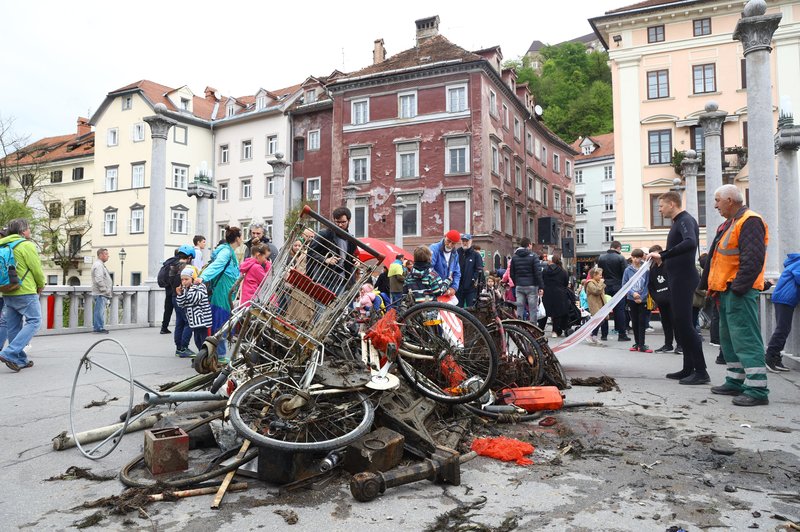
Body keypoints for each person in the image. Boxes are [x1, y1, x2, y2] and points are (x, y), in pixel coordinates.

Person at [701, 184, 769, 406]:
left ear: (730, 200)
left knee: (745, 338)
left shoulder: (749, 220)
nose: (715, 205)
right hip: (727, 290)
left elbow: (753, 258)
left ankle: (757, 389)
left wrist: (738, 288)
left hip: (738, 290)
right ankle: (735, 380)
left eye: (717, 200)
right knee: (730, 340)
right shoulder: (731, 224)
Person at [648, 191, 708, 385]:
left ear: (672, 204)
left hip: (684, 280)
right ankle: (688, 368)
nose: (659, 209)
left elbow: (690, 242)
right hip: (678, 279)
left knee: (685, 325)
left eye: (661, 205)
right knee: (681, 324)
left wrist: (663, 255)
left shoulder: (684, 220)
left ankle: (701, 371)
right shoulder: (679, 222)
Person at [0, 219, 45, 372]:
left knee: (13, 326)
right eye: (29, 229)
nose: (30, 232)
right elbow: (36, 269)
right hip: (25, 290)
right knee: (35, 321)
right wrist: (40, 285)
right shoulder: (26, 245)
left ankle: (20, 359)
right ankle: (9, 353)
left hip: (7, 290)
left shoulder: (3, 245)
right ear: (23, 231)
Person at [197, 226, 242, 363]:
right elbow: (217, 265)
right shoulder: (227, 252)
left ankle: (215, 353)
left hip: (226, 291)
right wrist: (203, 277)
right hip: (223, 291)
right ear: (237, 238)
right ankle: (220, 354)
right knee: (221, 322)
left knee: (221, 322)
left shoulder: (229, 251)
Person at [308, 207, 358, 295]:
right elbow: (310, 252)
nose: (340, 225)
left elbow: (350, 258)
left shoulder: (351, 240)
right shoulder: (324, 234)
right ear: (334, 220)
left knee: (338, 308)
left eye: (343, 222)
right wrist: (325, 259)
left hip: (341, 281)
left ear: (349, 221)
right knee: (321, 308)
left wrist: (355, 261)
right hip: (323, 279)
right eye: (337, 222)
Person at [764, 253, 799, 372]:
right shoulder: (799, 263)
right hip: (785, 298)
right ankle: (769, 357)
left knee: (783, 329)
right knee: (782, 329)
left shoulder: (794, 263)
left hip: (783, 298)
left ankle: (776, 358)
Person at [597, 241, 631, 342]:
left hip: (605, 286)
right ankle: (621, 334)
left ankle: (604, 334)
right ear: (618, 248)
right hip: (618, 286)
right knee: (620, 311)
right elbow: (625, 274)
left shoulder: (601, 258)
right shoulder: (620, 258)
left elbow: (599, 273)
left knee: (604, 310)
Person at [175, 266, 212, 354]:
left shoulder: (201, 286)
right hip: (193, 322)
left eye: (186, 279)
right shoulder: (185, 289)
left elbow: (193, 299)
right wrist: (180, 294)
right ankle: (202, 358)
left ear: (192, 278)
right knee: (197, 341)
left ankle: (205, 358)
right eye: (182, 279)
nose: (184, 282)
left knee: (204, 341)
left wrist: (194, 286)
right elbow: (180, 304)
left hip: (202, 320)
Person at [648, 244, 676, 354]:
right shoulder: (653, 269)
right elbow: (651, 286)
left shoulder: (668, 265)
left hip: (672, 299)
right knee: (665, 323)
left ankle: (680, 345)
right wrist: (657, 298)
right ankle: (668, 344)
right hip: (661, 300)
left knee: (675, 322)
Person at [169, 245, 197, 357]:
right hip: (184, 296)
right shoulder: (187, 268)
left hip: (174, 296)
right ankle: (184, 347)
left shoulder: (172, 266)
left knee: (179, 323)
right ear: (190, 257)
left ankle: (178, 348)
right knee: (189, 322)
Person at [622, 249, 651, 352]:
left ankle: (642, 344)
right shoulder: (628, 270)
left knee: (642, 321)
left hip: (642, 300)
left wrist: (642, 297)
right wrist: (633, 294)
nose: (635, 260)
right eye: (634, 257)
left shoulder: (645, 269)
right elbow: (625, 284)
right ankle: (637, 343)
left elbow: (648, 284)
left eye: (638, 257)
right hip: (631, 299)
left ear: (641, 257)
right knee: (634, 321)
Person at [509, 237, 543, 323]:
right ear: (529, 245)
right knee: (532, 309)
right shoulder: (534, 256)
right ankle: (533, 330)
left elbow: (512, 273)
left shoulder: (515, 257)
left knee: (520, 307)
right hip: (532, 286)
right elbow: (537, 273)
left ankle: (519, 329)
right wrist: (541, 286)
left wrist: (517, 282)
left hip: (519, 286)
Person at [541, 254, 571, 337]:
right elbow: (565, 282)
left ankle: (540, 330)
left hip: (547, 293)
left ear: (551, 261)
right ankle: (554, 331)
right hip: (559, 293)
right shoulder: (563, 271)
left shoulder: (545, 270)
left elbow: (542, 281)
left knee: (545, 312)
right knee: (557, 313)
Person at [429, 230, 462, 302]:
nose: (450, 245)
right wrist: (441, 285)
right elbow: (429, 268)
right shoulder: (434, 248)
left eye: (453, 243)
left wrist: (454, 287)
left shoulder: (455, 254)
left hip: (446, 291)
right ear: (445, 237)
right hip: (434, 289)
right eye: (448, 241)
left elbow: (457, 272)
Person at [239, 242, 271, 307]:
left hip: (246, 299)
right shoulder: (256, 267)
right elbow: (266, 282)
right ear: (258, 255)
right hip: (253, 301)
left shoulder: (248, 264)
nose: (266, 260)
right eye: (266, 257)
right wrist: (268, 265)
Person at [456, 233, 483, 308]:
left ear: (470, 241)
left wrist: (473, 279)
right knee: (457, 309)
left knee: (471, 309)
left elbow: (479, 269)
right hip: (458, 288)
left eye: (466, 241)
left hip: (471, 288)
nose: (464, 243)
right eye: (463, 241)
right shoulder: (457, 253)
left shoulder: (476, 255)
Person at [91, 248, 112, 334]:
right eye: (106, 254)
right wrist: (105, 290)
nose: (108, 256)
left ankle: (99, 327)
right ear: (100, 255)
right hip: (100, 293)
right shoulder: (99, 265)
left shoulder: (99, 264)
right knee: (99, 311)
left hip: (100, 292)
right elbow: (99, 279)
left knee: (99, 310)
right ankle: (99, 328)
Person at [584, 267, 607, 344]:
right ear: (594, 275)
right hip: (594, 305)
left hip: (600, 305)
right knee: (599, 320)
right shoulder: (590, 283)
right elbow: (596, 291)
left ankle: (593, 335)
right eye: (600, 275)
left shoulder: (597, 282)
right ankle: (591, 334)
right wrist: (601, 283)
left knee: (600, 321)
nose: (601, 277)